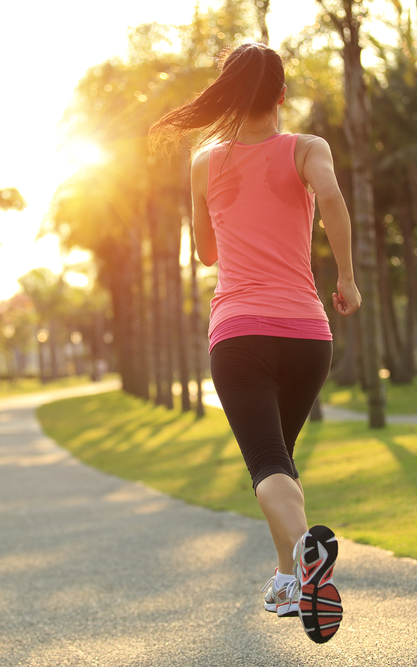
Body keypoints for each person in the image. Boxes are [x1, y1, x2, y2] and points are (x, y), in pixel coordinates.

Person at [148, 42, 361, 645]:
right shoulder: (307, 149)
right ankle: (289, 578)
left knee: (266, 464)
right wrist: (345, 278)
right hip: (307, 336)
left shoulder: (204, 161)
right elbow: (335, 203)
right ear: (282, 95)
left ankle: (304, 558)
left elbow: (205, 252)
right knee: (280, 459)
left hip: (240, 334)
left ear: (227, 95)